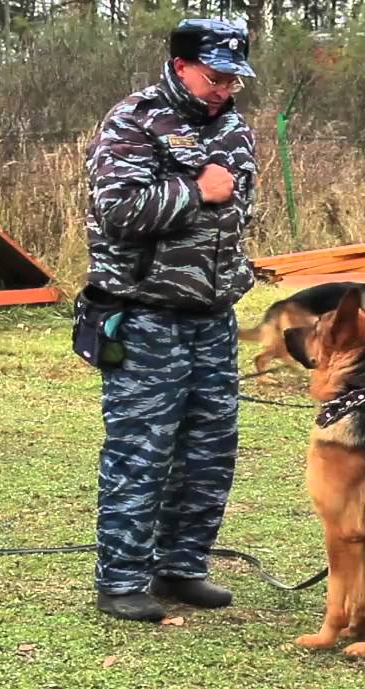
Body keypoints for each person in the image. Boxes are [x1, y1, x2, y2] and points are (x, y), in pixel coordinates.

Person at [80, 19, 258, 622]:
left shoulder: (233, 127)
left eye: (235, 79)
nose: (225, 89)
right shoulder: (133, 120)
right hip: (145, 316)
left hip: (212, 316)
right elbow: (117, 211)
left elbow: (238, 213)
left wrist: (234, 269)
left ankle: (182, 567)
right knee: (142, 449)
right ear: (180, 65)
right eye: (215, 77)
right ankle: (123, 580)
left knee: (210, 447)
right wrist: (196, 191)